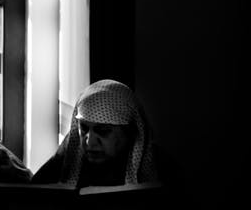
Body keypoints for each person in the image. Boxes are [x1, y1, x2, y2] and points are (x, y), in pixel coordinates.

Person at [31, 78, 159, 187]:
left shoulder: (162, 169)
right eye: (84, 129)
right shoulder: (64, 161)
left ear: (129, 132)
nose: (89, 142)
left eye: (103, 131)